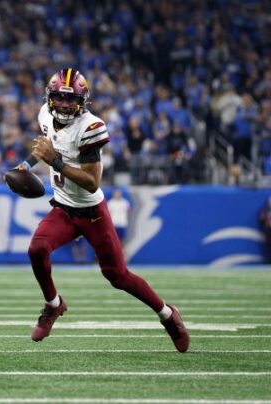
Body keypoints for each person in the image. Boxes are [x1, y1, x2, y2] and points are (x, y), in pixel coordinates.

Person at [16, 68, 189, 352]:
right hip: (63, 208)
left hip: (91, 211)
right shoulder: (45, 116)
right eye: (58, 97)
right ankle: (53, 305)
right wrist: (24, 165)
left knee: (117, 276)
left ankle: (168, 315)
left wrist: (56, 163)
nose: (63, 104)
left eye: (69, 100)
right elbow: (45, 147)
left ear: (82, 101)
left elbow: (91, 181)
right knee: (37, 250)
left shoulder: (90, 126)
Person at [259, 196, 271, 262]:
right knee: (268, 247)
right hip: (268, 231)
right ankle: (269, 261)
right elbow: (261, 220)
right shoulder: (265, 210)